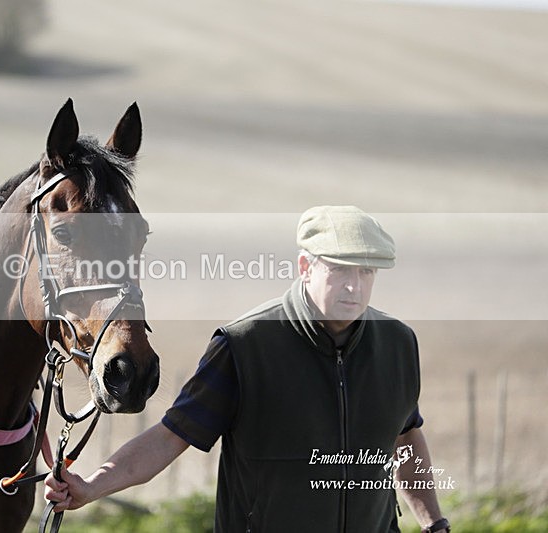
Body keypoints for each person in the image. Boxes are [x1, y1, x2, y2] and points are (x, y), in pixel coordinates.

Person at [45, 206, 450, 533]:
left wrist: (434, 525)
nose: (354, 285)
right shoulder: (244, 345)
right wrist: (91, 487)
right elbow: (170, 438)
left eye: (366, 271)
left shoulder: (397, 344)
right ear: (305, 267)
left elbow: (405, 435)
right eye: (340, 269)